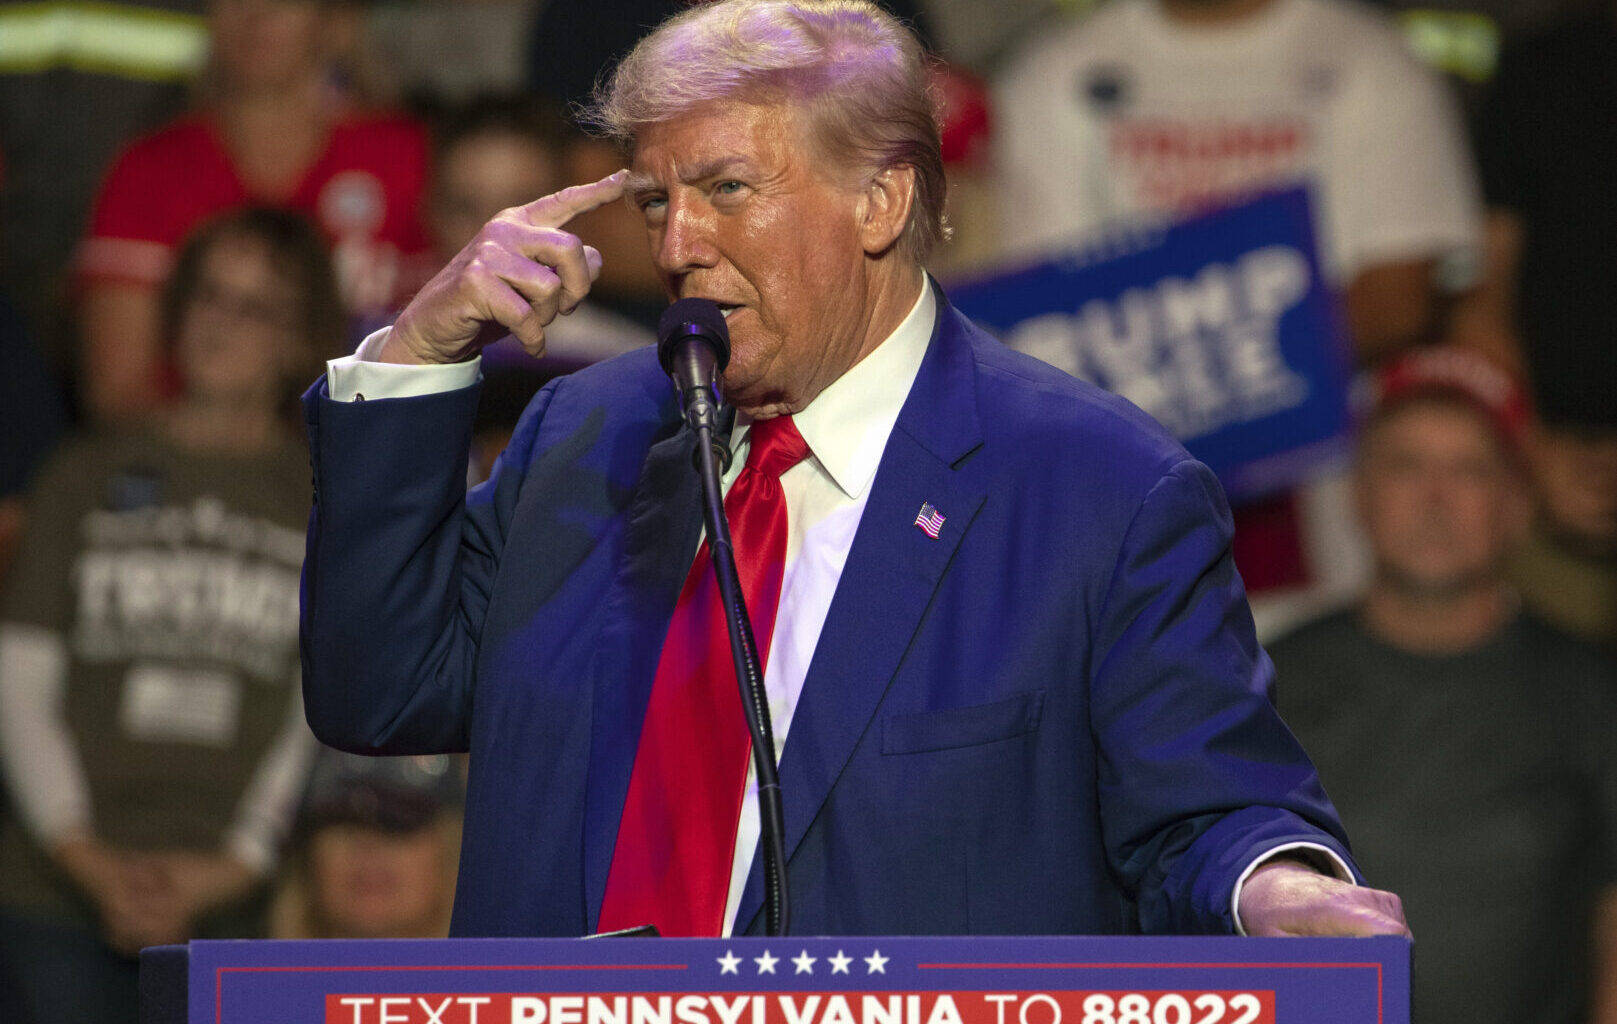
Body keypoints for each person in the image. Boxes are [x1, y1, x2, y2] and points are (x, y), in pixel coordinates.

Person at [300, 0, 1407, 940]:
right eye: (654, 199)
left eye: (727, 189)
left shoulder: (1102, 493)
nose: (677, 242)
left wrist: (1277, 889)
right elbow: (378, 690)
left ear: (880, 200)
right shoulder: (581, 439)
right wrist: (414, 357)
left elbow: (1206, 815)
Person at [992, 0, 1485, 640]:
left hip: (1325, 505)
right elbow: (1044, 318)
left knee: (1314, 702)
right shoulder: (1055, 73)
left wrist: (1198, 364)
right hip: (1123, 504)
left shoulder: (1371, 61)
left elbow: (1398, 296)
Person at [0, 207, 335, 1024]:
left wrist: (240, 860)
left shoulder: (320, 500)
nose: (221, 324)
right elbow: (21, 670)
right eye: (208, 297)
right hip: (53, 891)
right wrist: (81, 853)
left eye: (255, 307)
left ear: (298, 338)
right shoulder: (85, 472)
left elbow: (318, 701)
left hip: (242, 904)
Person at [1268, 345, 1617, 1024]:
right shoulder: (1264, 682)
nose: (1434, 497)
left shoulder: (1589, 692)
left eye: (1467, 470)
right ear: (1357, 496)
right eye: (1406, 465)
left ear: (1516, 506)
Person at [74, 0, 432, 423]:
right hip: (198, 463)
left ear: (335, 20)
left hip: (376, 451)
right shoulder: (151, 167)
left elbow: (453, 350)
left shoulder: (408, 157)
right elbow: (119, 389)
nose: (255, 14)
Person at [271, 749, 463, 940]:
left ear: (451, 850)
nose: (368, 844)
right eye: (345, 824)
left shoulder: (489, 969)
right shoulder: (251, 969)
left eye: (397, 824)